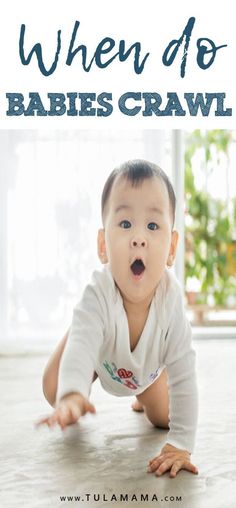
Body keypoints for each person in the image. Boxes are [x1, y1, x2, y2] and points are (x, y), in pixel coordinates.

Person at [38, 159, 198, 478]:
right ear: (103, 245)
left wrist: (180, 443)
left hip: (147, 372)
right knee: (53, 386)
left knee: (164, 417)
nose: (139, 237)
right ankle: (84, 327)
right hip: (99, 356)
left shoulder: (171, 303)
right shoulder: (98, 292)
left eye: (153, 226)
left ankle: (142, 393)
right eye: (125, 224)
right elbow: (81, 352)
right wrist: (72, 394)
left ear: (171, 248)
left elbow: (184, 374)